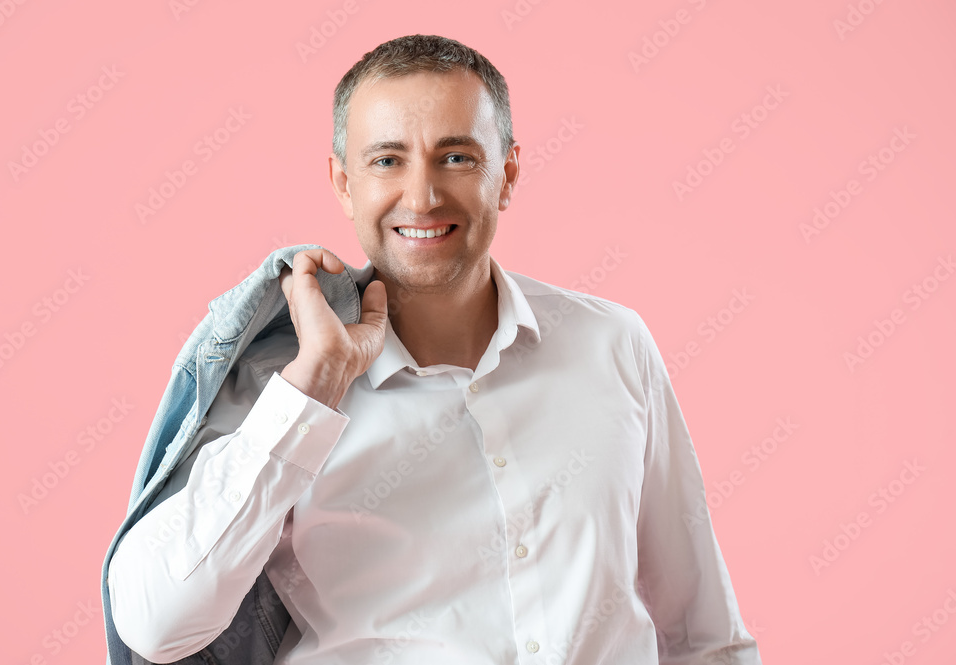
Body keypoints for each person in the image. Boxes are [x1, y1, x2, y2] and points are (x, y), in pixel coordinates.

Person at [105, 34, 763, 664]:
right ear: (342, 182)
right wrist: (312, 390)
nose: (421, 196)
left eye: (456, 157)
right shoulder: (279, 381)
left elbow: (706, 635)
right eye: (387, 159)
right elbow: (157, 625)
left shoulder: (614, 344)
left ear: (506, 175)